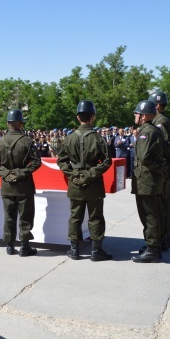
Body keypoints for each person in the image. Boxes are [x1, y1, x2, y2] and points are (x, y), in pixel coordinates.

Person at [57, 100, 112, 261]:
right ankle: (96, 250)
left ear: (78, 117)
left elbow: (61, 161)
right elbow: (107, 161)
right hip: (93, 183)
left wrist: (74, 175)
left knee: (75, 216)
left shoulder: (69, 138)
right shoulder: (98, 138)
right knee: (96, 217)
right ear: (93, 117)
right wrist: (89, 174)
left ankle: (74, 250)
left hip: (75, 184)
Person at [0, 109, 42, 256]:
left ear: (7, 123)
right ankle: (25, 246)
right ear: (21, 124)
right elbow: (37, 162)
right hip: (24, 185)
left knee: (9, 216)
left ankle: (10, 245)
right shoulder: (27, 141)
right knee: (25, 216)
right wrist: (19, 173)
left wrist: (6, 174)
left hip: (7, 185)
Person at [130, 100, 166, 263]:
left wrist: (158, 167)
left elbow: (144, 158)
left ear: (143, 116)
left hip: (146, 180)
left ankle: (152, 249)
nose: (135, 116)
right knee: (152, 214)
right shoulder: (150, 130)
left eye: (137, 114)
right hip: (149, 179)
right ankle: (153, 246)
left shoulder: (147, 132)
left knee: (149, 215)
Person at [148, 91, 170, 250]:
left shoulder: (159, 121)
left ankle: (162, 239)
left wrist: (160, 165)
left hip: (163, 170)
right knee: (164, 204)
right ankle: (165, 239)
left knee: (161, 205)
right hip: (166, 169)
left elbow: (164, 146)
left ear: (158, 105)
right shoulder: (164, 120)